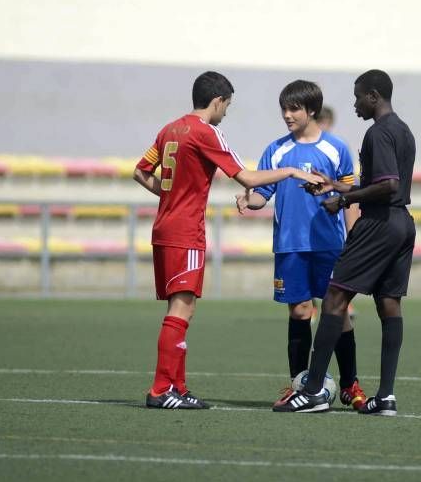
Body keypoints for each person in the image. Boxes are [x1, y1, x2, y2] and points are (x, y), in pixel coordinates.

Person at [133, 71, 322, 410]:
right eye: (227, 106)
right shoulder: (207, 132)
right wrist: (292, 172)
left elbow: (141, 171)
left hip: (164, 228)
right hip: (185, 232)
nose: (225, 113)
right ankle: (162, 390)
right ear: (217, 101)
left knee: (180, 306)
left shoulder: (169, 129)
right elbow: (246, 177)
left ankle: (177, 386)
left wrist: (169, 194)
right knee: (182, 308)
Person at [273, 69, 416, 416]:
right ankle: (385, 397)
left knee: (335, 298)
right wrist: (335, 186)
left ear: (373, 96)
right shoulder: (404, 131)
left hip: (379, 223)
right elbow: (388, 185)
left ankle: (310, 389)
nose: (354, 104)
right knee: (389, 305)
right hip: (402, 224)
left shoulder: (378, 133)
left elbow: (388, 185)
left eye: (357, 96)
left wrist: (344, 202)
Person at [235, 80, 366, 410]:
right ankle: (299, 384)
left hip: (329, 245)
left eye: (293, 109)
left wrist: (353, 240)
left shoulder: (336, 148)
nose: (287, 115)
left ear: (311, 111)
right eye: (284, 108)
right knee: (300, 311)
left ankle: (350, 383)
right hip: (290, 245)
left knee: (337, 313)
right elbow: (260, 196)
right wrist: (246, 198)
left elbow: (350, 197)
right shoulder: (276, 150)